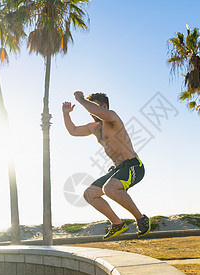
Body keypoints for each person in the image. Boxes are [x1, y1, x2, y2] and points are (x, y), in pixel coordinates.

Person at [62, 91, 150, 240]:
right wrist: (66, 114)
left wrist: (81, 100)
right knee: (89, 194)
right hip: (118, 169)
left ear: (103, 106)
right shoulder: (94, 128)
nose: (90, 113)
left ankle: (141, 218)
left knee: (109, 189)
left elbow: (96, 110)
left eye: (94, 107)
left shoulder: (112, 118)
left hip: (134, 166)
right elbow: (73, 131)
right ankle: (117, 224)